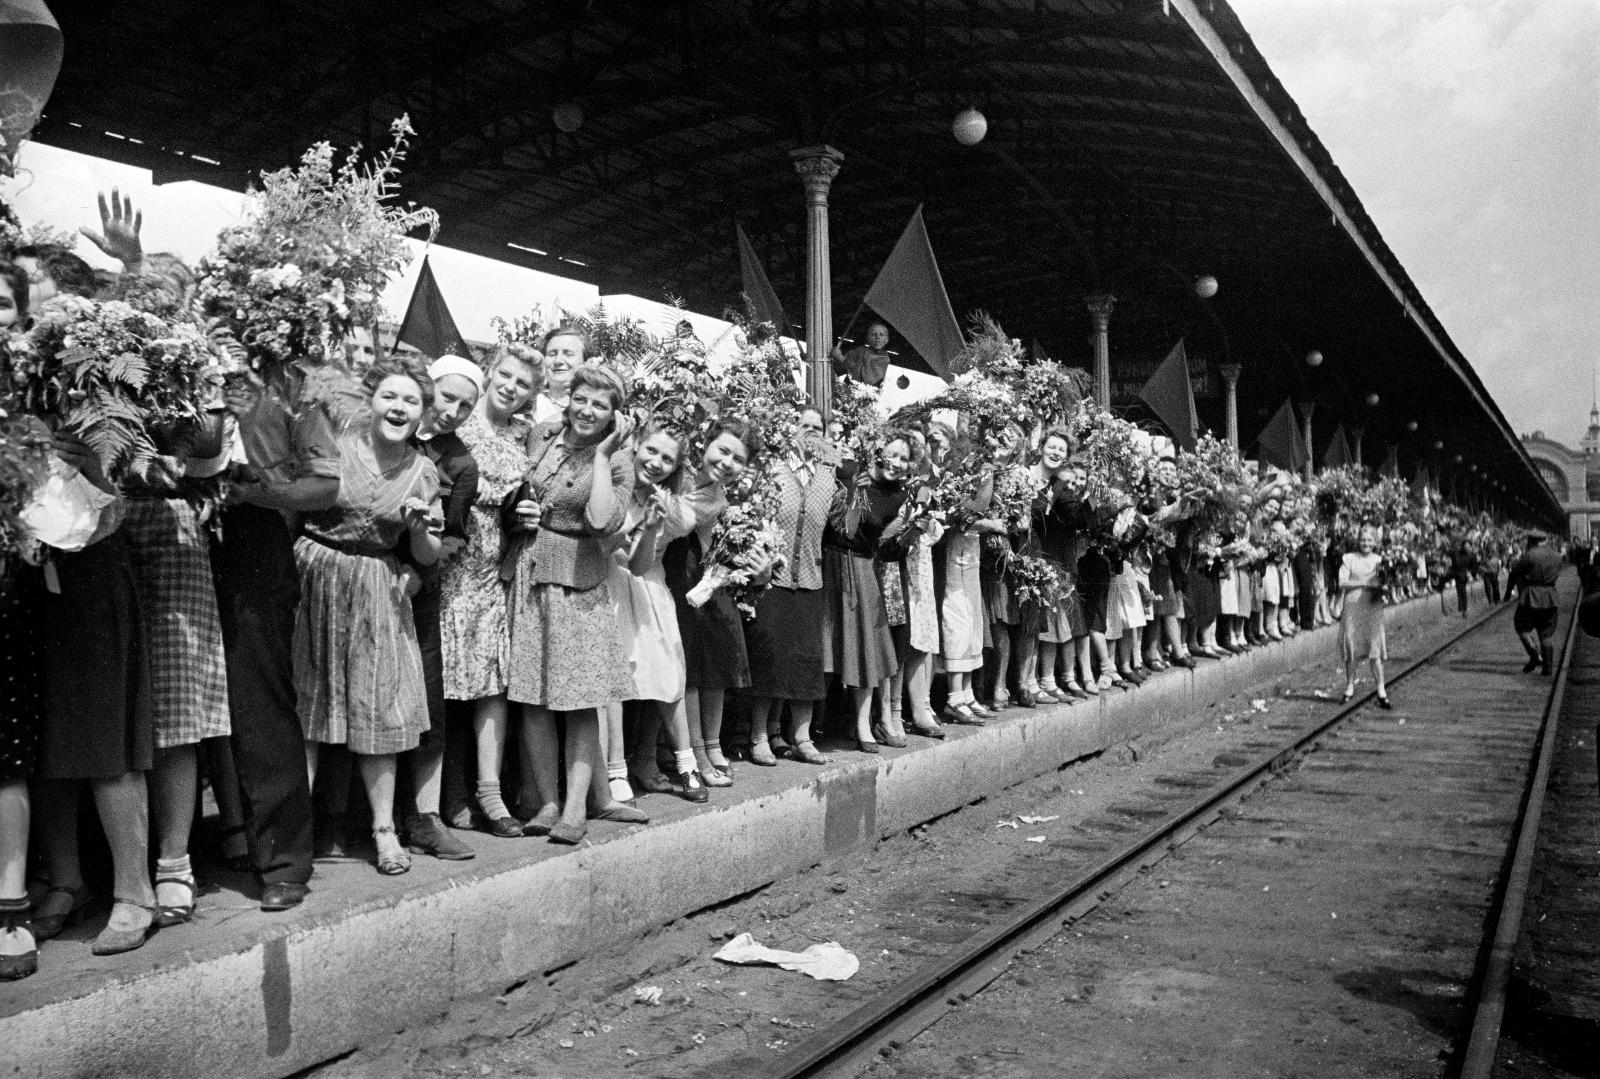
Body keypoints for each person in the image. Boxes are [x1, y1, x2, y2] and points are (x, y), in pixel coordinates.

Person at [294, 358, 444, 876]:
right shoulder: (337, 446)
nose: (398, 408)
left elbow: (426, 555)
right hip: (315, 576)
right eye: (390, 396)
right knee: (307, 705)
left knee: (379, 707)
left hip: (378, 584)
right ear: (372, 400)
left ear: (422, 415)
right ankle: (294, 834)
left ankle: (384, 831)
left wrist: (420, 530)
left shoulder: (422, 472)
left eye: (410, 401)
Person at [213, 360, 343, 912]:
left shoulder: (289, 387)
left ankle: (284, 862)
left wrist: (258, 494)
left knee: (258, 700)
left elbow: (325, 485)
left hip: (252, 536)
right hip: (164, 529)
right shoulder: (161, 367)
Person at [504, 362, 638, 844]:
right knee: (534, 696)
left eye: (600, 405)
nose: (587, 410)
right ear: (568, 398)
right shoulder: (540, 436)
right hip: (531, 570)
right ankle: (546, 802)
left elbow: (602, 520)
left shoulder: (620, 461)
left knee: (580, 701)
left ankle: (577, 808)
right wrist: (520, 515)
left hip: (580, 584)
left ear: (614, 417)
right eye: (581, 399)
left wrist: (601, 456)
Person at [441, 346, 538, 837]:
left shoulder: (520, 439)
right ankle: (445, 795)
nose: (511, 388)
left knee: (490, 685)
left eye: (523, 384)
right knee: (447, 683)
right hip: (446, 567)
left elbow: (518, 506)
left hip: (491, 573)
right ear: (488, 372)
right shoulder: (455, 424)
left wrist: (523, 520)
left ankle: (490, 793)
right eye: (505, 375)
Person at [401, 356, 484, 861]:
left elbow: (453, 536)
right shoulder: (390, 429)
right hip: (362, 578)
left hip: (421, 588)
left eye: (465, 405)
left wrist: (419, 568)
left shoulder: (461, 464)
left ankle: (424, 816)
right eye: (446, 396)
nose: (452, 410)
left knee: (427, 700)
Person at [664, 418, 765, 782]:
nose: (726, 462)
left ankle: (708, 746)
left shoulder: (718, 499)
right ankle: (694, 753)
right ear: (705, 444)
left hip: (695, 577)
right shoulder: (679, 472)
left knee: (708, 663)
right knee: (688, 669)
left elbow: (684, 527)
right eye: (722, 450)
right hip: (669, 573)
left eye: (738, 459)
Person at [744, 408, 840, 764]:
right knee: (769, 658)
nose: (811, 432)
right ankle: (760, 736)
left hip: (812, 579)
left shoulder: (830, 477)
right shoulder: (773, 468)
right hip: (772, 579)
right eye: (805, 426)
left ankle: (801, 737)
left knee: (805, 661)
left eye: (818, 428)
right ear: (791, 430)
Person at [823, 427, 919, 751]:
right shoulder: (858, 478)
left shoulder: (903, 494)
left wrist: (907, 534)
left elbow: (894, 546)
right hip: (851, 567)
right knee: (845, 645)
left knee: (890, 642)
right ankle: (847, 721)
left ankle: (887, 716)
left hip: (886, 572)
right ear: (877, 452)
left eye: (904, 458)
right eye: (891, 454)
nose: (897, 462)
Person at [1337, 525, 1390, 708]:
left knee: (1374, 648)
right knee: (1352, 646)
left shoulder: (1381, 560)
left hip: (1372, 606)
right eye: (1363, 540)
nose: (1365, 543)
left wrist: (1383, 587)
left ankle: (1381, 689)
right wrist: (1365, 583)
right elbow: (1342, 582)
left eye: (1369, 540)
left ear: (1374, 542)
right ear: (1358, 541)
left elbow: (1385, 583)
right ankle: (1350, 686)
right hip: (1353, 606)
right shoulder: (1349, 558)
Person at [1507, 531, 1563, 675]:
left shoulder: (1529, 555)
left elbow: (1516, 570)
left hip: (1530, 597)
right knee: (1546, 634)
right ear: (1545, 540)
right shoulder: (1557, 555)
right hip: (1550, 596)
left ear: (1531, 541)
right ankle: (1548, 668)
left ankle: (1535, 655)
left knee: (1521, 627)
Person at [829, 321, 893, 388]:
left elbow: (867, 379)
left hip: (868, 394)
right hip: (850, 390)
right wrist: (836, 355)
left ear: (886, 340)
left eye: (881, 335)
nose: (877, 337)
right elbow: (839, 366)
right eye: (874, 334)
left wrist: (841, 358)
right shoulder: (860, 350)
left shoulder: (884, 360)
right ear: (868, 338)